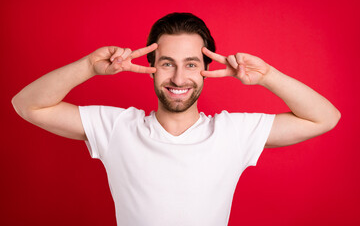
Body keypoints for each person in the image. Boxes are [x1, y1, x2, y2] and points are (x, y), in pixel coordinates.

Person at [12, 12, 340, 226]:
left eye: (192, 64)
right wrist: (87, 66)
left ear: (207, 70)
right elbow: (27, 105)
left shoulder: (233, 133)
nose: (179, 78)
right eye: (167, 63)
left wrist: (267, 75)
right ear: (150, 66)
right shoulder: (115, 128)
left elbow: (324, 118)